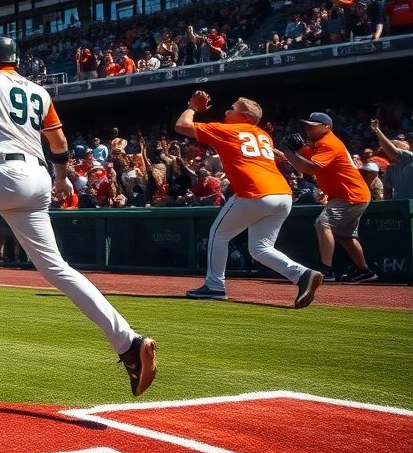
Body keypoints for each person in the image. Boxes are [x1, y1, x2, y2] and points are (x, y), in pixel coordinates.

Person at [0, 35, 157, 397]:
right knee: (58, 270)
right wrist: (60, 179)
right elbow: (58, 142)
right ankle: (128, 342)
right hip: (39, 178)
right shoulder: (40, 91)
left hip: (8, 172)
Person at [175, 92, 322, 306]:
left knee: (218, 233)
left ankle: (215, 286)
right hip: (282, 195)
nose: (226, 111)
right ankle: (302, 275)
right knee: (260, 247)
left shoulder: (229, 130)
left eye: (232, 108)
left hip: (256, 193)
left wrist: (193, 107)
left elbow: (182, 126)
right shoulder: (264, 135)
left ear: (244, 116)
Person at [279, 112, 374, 284]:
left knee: (324, 223)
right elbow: (309, 156)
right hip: (352, 194)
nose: (308, 128)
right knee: (345, 236)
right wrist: (299, 149)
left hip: (349, 194)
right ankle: (364, 270)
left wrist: (289, 152)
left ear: (327, 127)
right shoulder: (321, 143)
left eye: (313, 125)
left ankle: (327, 269)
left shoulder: (329, 143)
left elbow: (310, 169)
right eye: (307, 125)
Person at [372, 119, 413, 200]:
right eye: (398, 142)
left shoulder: (410, 157)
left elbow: (391, 149)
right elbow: (387, 191)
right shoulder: (390, 168)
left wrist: (377, 130)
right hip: (399, 207)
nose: (404, 142)